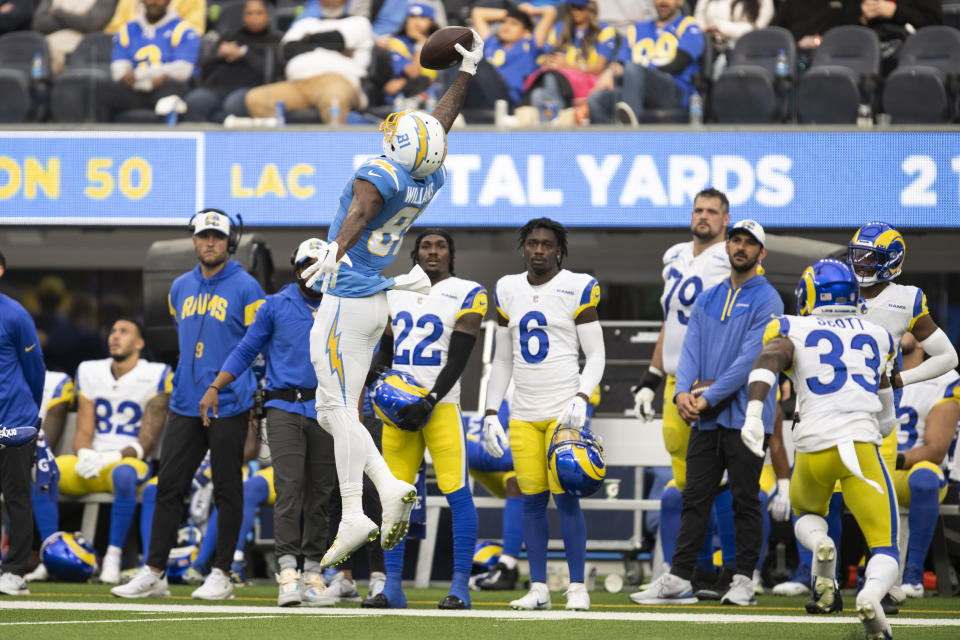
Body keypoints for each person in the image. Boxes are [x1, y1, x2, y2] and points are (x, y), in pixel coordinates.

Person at [297, 30, 484, 570]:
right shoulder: (430, 176)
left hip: (346, 295)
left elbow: (359, 210)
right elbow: (438, 128)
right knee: (337, 410)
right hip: (375, 298)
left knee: (333, 409)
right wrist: (464, 74)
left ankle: (370, 496)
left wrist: (334, 249)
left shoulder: (378, 174)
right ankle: (370, 499)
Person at [112, 211, 265, 600]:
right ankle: (154, 572)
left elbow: (256, 347)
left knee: (228, 489)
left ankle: (223, 574)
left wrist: (245, 395)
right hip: (184, 400)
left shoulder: (248, 288)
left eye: (217, 237)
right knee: (168, 487)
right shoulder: (178, 287)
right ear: (194, 241)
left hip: (228, 402)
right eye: (203, 236)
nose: (209, 243)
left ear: (229, 243)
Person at [744, 258, 899, 640]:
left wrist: (752, 412)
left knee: (806, 515)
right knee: (885, 546)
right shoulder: (878, 333)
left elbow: (769, 359)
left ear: (811, 293)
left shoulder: (792, 326)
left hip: (812, 447)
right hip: (860, 447)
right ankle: (872, 594)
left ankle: (821, 545)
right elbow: (886, 411)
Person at [631, 219, 783, 607]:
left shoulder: (769, 299)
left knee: (746, 499)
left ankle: (744, 580)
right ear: (728, 246)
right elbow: (689, 351)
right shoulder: (709, 297)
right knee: (694, 497)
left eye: (750, 243)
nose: (741, 247)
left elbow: (752, 359)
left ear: (761, 253)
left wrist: (707, 396)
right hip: (707, 416)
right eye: (736, 240)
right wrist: (681, 392)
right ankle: (680, 577)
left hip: (747, 416)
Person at [198, 238, 339, 607]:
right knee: (290, 488)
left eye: (321, 264)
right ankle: (288, 572)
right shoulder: (275, 305)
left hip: (328, 409)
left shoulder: (343, 305)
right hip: (284, 407)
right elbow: (246, 349)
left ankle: (313, 572)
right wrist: (216, 385)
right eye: (308, 264)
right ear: (296, 270)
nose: (314, 271)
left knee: (322, 492)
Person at [481, 217, 606, 611]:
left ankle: (576, 586)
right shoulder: (507, 288)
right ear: (524, 247)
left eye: (546, 244)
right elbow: (502, 360)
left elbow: (598, 354)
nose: (539, 250)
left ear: (559, 250)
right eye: (532, 243)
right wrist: (489, 411)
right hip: (522, 412)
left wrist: (582, 396)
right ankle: (538, 587)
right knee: (531, 500)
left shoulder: (577, 286)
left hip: (563, 410)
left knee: (566, 498)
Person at [366, 228, 485, 609]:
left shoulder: (468, 291)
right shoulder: (395, 289)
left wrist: (431, 398)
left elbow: (460, 357)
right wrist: (378, 373)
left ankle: (460, 588)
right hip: (398, 409)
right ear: (414, 253)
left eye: (440, 246)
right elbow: (387, 345)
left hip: (441, 405)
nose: (433, 252)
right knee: (394, 497)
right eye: (426, 246)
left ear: (451, 253)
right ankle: (393, 587)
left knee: (457, 492)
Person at [631, 188, 733, 589]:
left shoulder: (732, 256)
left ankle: (734, 569)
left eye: (712, 211)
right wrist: (651, 379)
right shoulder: (673, 255)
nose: (703, 217)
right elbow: (671, 323)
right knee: (687, 478)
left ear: (726, 219)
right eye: (698, 210)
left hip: (711, 379)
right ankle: (699, 568)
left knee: (719, 476)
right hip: (676, 380)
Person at [47, 319, 171, 584]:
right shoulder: (92, 371)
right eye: (113, 331)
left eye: (124, 332)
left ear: (140, 343)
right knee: (44, 471)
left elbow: (147, 441)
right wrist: (85, 454)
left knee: (124, 475)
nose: (115, 336)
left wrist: (111, 458)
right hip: (93, 460)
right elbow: (83, 430)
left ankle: (112, 556)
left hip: (130, 461)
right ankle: (48, 549)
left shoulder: (156, 374)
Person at [893, 333, 959, 598]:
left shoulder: (945, 378)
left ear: (922, 339)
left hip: (915, 469)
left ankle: (913, 574)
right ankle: (820, 576)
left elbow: (935, 449)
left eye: (906, 326)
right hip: (878, 466)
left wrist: (892, 459)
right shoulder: (872, 369)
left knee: (924, 479)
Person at [243, 0, 375, 124]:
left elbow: (337, 38)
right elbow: (287, 50)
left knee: (334, 98)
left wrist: (305, 41)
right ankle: (282, 146)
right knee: (256, 99)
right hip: (297, 84)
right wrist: (331, 45)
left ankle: (334, 147)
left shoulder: (359, 22)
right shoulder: (305, 23)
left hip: (337, 81)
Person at [0, 249, 44, 597]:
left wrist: (30, 414)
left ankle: (15, 572)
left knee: (16, 496)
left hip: (13, 420)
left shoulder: (15, 315)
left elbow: (36, 372)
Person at [588, 0, 704, 126]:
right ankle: (611, 143)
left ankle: (630, 134)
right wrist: (609, 72)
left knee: (633, 68)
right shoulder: (636, 30)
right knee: (597, 99)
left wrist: (639, 72)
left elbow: (677, 64)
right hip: (635, 90)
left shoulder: (688, 25)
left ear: (680, 2)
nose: (662, 2)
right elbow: (621, 64)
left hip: (673, 91)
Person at [96, 0, 201, 122]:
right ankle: (97, 136)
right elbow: (118, 70)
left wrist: (138, 75)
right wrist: (150, 81)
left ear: (169, 1)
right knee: (99, 88)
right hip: (134, 90)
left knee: (171, 87)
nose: (154, 2)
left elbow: (183, 70)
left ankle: (168, 135)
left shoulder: (184, 29)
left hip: (163, 89)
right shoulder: (127, 29)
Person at [182, 0, 282, 122]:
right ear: (243, 16)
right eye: (249, 13)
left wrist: (243, 53)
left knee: (233, 104)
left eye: (259, 13)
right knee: (195, 101)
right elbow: (204, 66)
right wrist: (219, 55)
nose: (254, 17)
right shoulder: (230, 37)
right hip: (217, 88)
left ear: (268, 16)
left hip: (252, 90)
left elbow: (271, 71)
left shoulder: (275, 41)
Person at [524, 0, 617, 118]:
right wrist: (550, 61)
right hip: (558, 80)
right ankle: (554, 124)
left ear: (590, 8)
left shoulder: (603, 30)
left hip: (587, 81)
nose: (575, 11)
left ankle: (557, 123)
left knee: (550, 79)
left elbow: (599, 67)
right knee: (538, 93)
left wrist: (569, 65)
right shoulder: (559, 28)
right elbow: (543, 56)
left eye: (580, 8)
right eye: (572, 7)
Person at [471, 4, 551, 110]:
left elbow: (550, 12)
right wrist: (513, 13)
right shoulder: (492, 44)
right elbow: (477, 12)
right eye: (504, 22)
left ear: (526, 31)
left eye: (514, 24)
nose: (506, 26)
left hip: (508, 98)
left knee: (478, 64)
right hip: (483, 94)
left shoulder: (530, 46)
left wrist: (528, 12)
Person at [32, 0, 119, 75]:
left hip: (81, 47)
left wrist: (56, 12)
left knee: (43, 61)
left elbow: (90, 24)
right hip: (46, 43)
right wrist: (76, 19)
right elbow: (38, 23)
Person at [694, 0, 773, 78]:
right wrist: (706, 30)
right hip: (708, 42)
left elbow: (755, 28)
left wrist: (720, 27)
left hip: (741, 46)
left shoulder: (762, 3)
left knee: (722, 65)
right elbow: (698, 20)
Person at [382, 2, 439, 107]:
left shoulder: (439, 45)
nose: (416, 22)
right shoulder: (397, 42)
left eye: (422, 18)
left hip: (434, 99)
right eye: (412, 17)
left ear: (431, 22)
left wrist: (402, 82)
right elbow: (414, 74)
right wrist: (420, 44)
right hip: (402, 100)